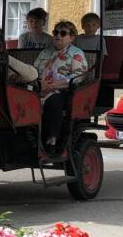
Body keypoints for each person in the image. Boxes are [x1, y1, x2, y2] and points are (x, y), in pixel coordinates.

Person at [34, 20, 89, 151]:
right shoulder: (45, 52)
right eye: (56, 32)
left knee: (54, 101)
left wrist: (54, 86)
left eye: (63, 33)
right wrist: (39, 82)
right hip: (39, 87)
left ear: (72, 37)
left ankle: (51, 139)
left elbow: (78, 77)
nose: (58, 35)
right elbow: (34, 70)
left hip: (63, 90)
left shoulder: (76, 53)